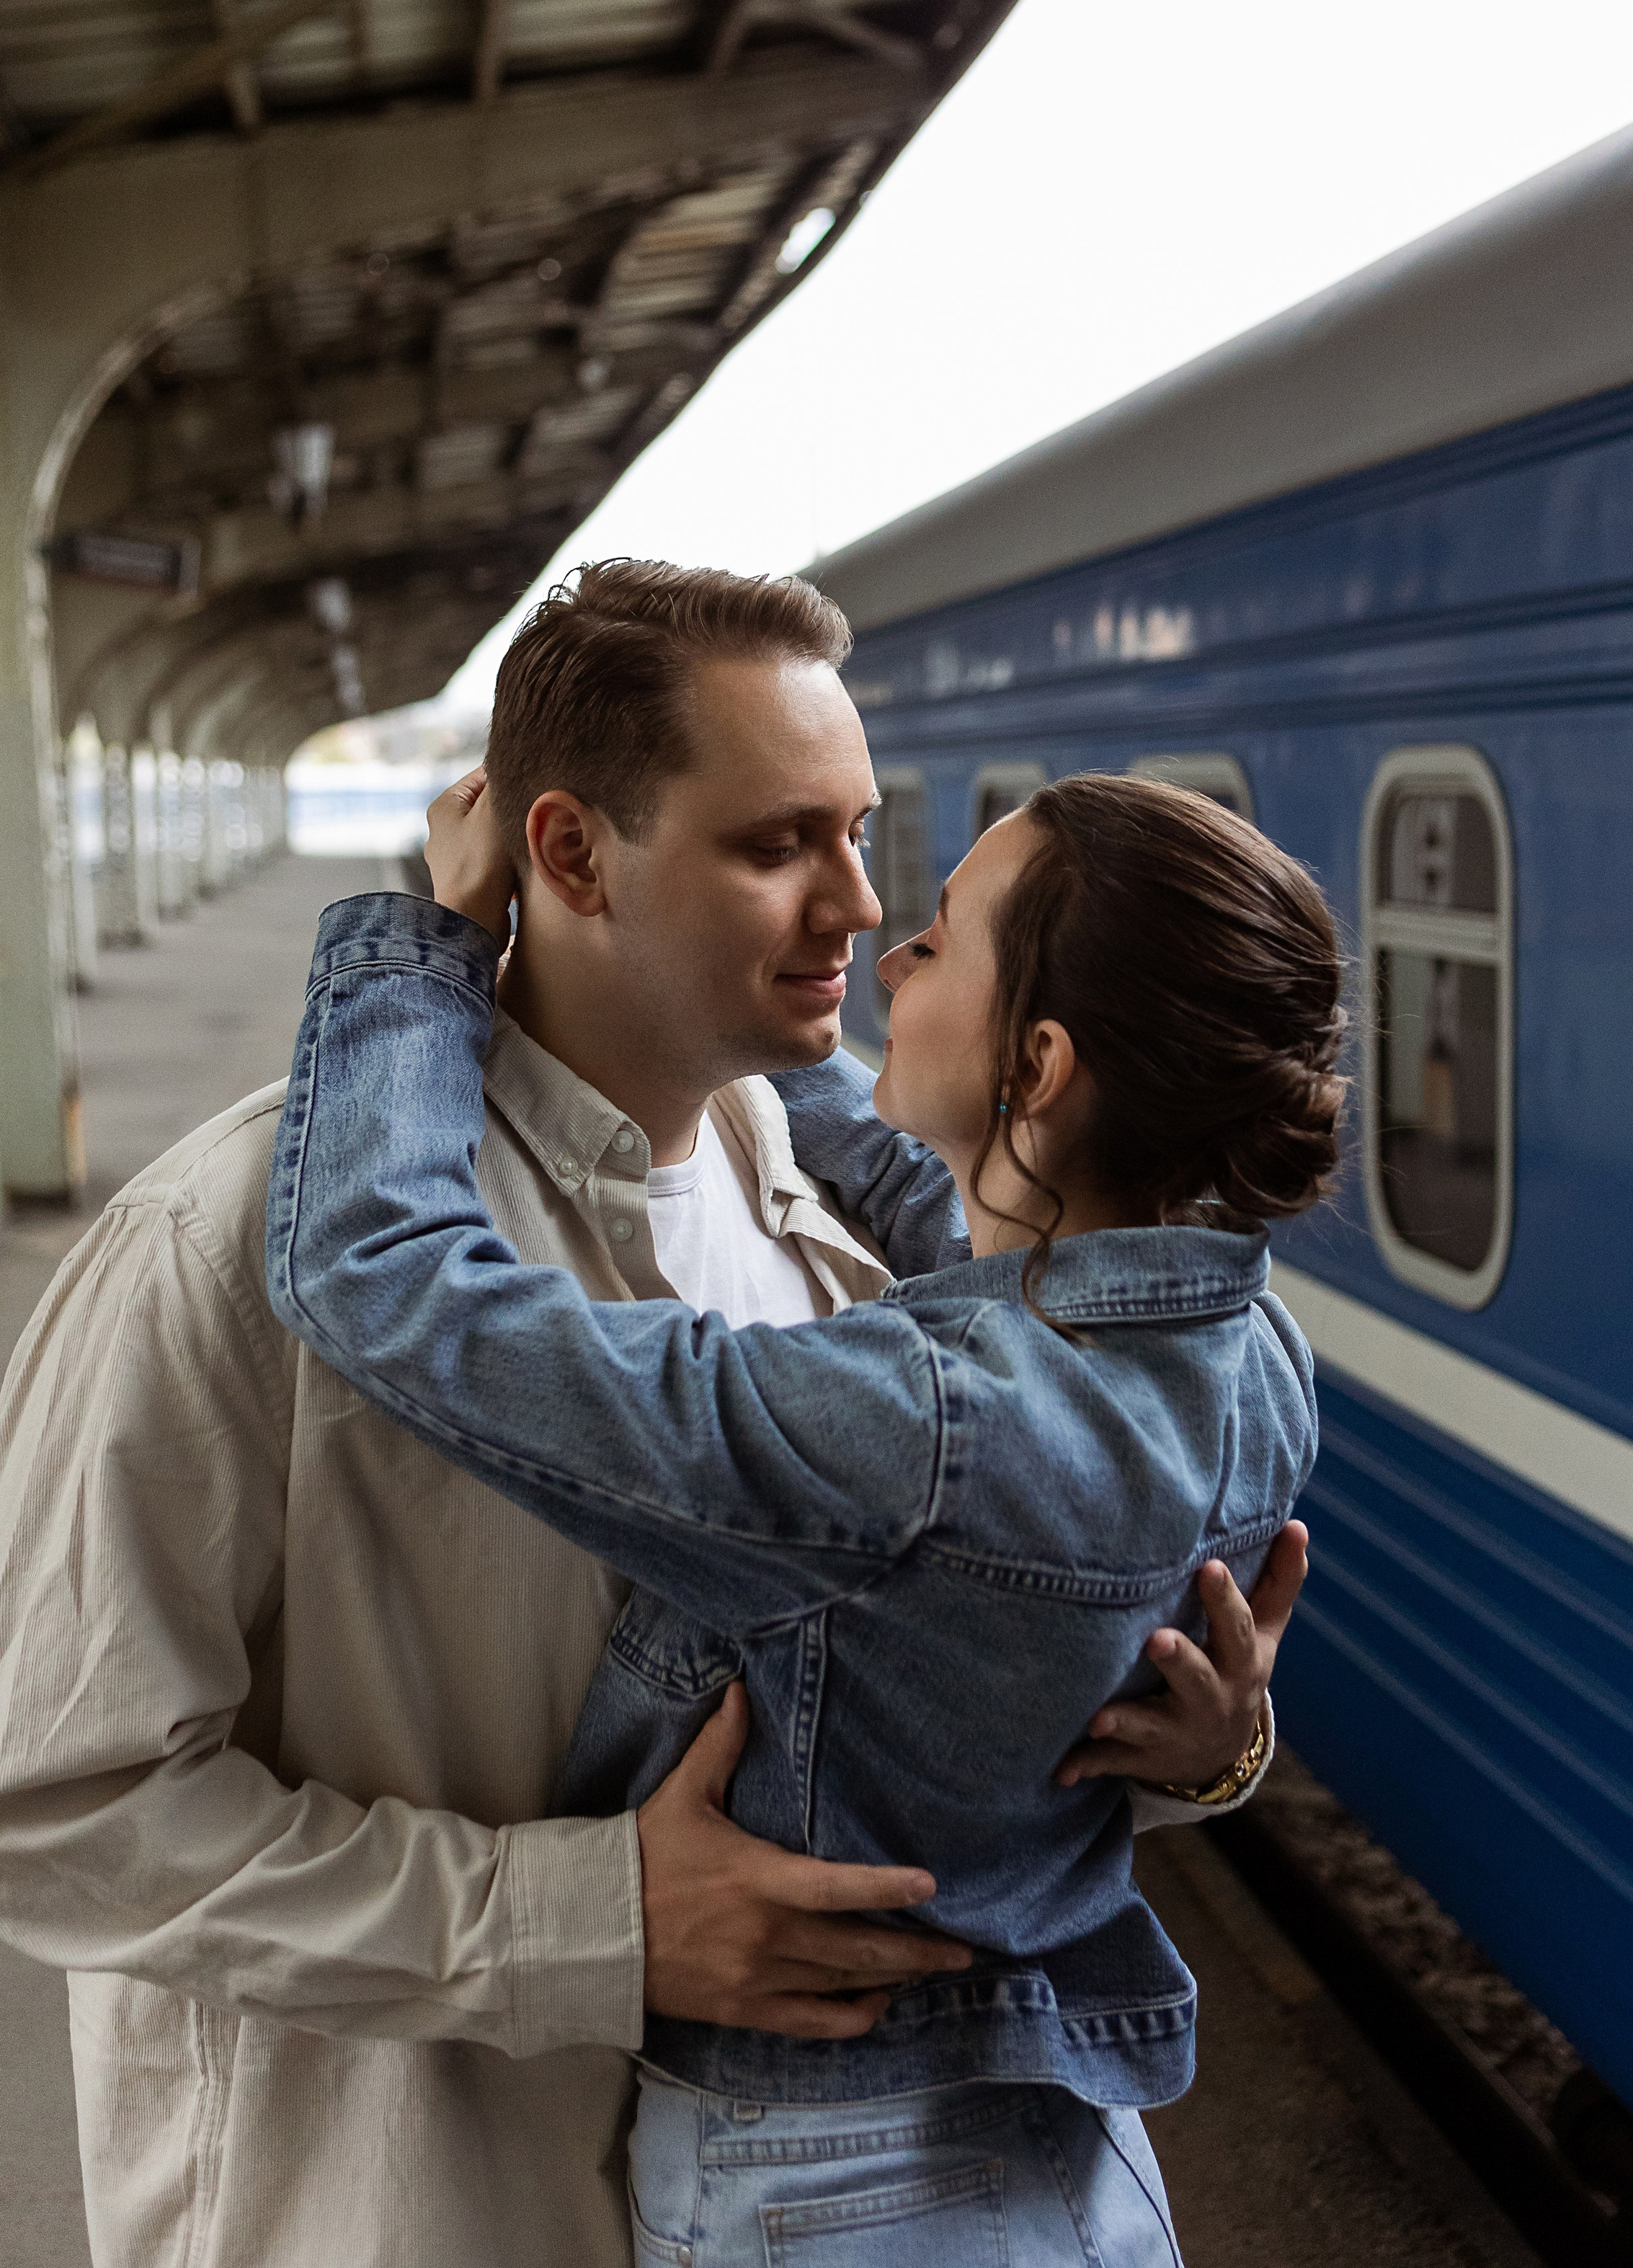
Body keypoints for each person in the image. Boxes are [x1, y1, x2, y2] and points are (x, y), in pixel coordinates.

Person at [0, 560, 1292, 2268]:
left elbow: (919, 1703)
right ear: (567, 854)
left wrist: (1201, 1752)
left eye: (860, 830)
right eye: (777, 847)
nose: (856, 904)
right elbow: (52, 1809)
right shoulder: (223, 1241)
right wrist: (584, 1927)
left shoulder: (849, 1218)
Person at [264, 742, 1347, 2264]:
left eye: (943, 935)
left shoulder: (915, 1421)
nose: (888, 942)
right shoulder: (1252, 1358)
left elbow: (377, 1277)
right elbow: (953, 1215)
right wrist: (705, 981)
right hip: (1068, 2150)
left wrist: (427, 939)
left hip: (837, 2188)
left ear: (1035, 1070)